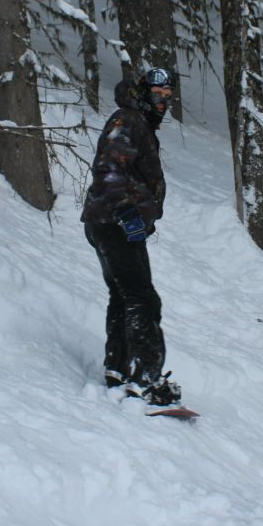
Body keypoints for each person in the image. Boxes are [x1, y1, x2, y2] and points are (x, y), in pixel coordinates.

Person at [82, 66, 181, 406]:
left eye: (167, 97)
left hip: (110, 221)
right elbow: (109, 166)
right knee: (142, 297)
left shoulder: (137, 122)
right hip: (114, 222)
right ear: (143, 92)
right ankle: (145, 378)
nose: (163, 103)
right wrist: (126, 211)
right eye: (157, 95)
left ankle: (119, 370)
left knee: (125, 295)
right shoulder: (127, 120)